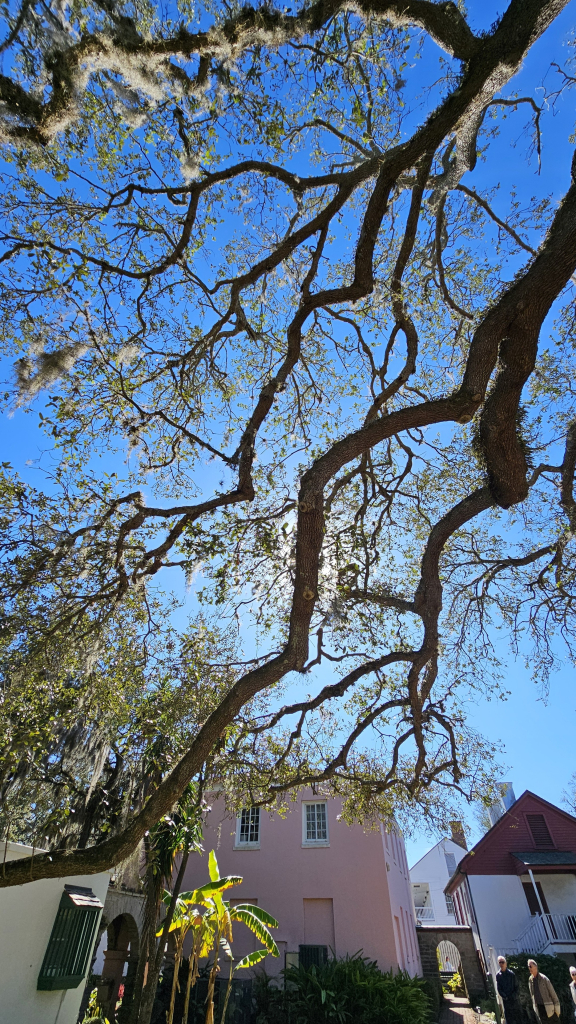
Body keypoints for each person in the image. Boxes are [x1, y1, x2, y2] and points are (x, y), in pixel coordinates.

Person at [495, 955, 522, 1024]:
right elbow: (499, 988)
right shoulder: (498, 975)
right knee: (509, 1018)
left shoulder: (511, 974)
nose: (501, 964)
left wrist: (514, 996)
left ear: (506, 963)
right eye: (500, 962)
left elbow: (517, 987)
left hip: (514, 1000)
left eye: (503, 962)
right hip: (506, 1001)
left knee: (517, 1018)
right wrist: (505, 996)